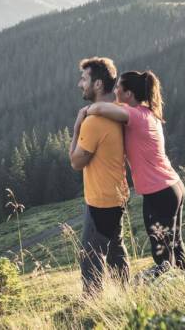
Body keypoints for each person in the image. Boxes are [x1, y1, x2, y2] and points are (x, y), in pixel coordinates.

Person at [87, 70, 185, 276]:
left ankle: (169, 290)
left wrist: (84, 113)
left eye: (118, 88)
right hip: (173, 186)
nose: (115, 91)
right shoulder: (148, 113)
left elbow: (98, 108)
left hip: (158, 192)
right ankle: (184, 282)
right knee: (175, 243)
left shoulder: (134, 115)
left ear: (129, 94)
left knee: (161, 250)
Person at [69, 57, 130, 293]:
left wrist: (76, 128)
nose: (79, 84)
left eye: (84, 79)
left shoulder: (93, 122)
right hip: (118, 195)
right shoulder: (119, 112)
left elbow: (76, 161)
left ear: (97, 84)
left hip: (101, 201)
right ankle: (127, 297)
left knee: (90, 258)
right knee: (115, 251)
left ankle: (93, 309)